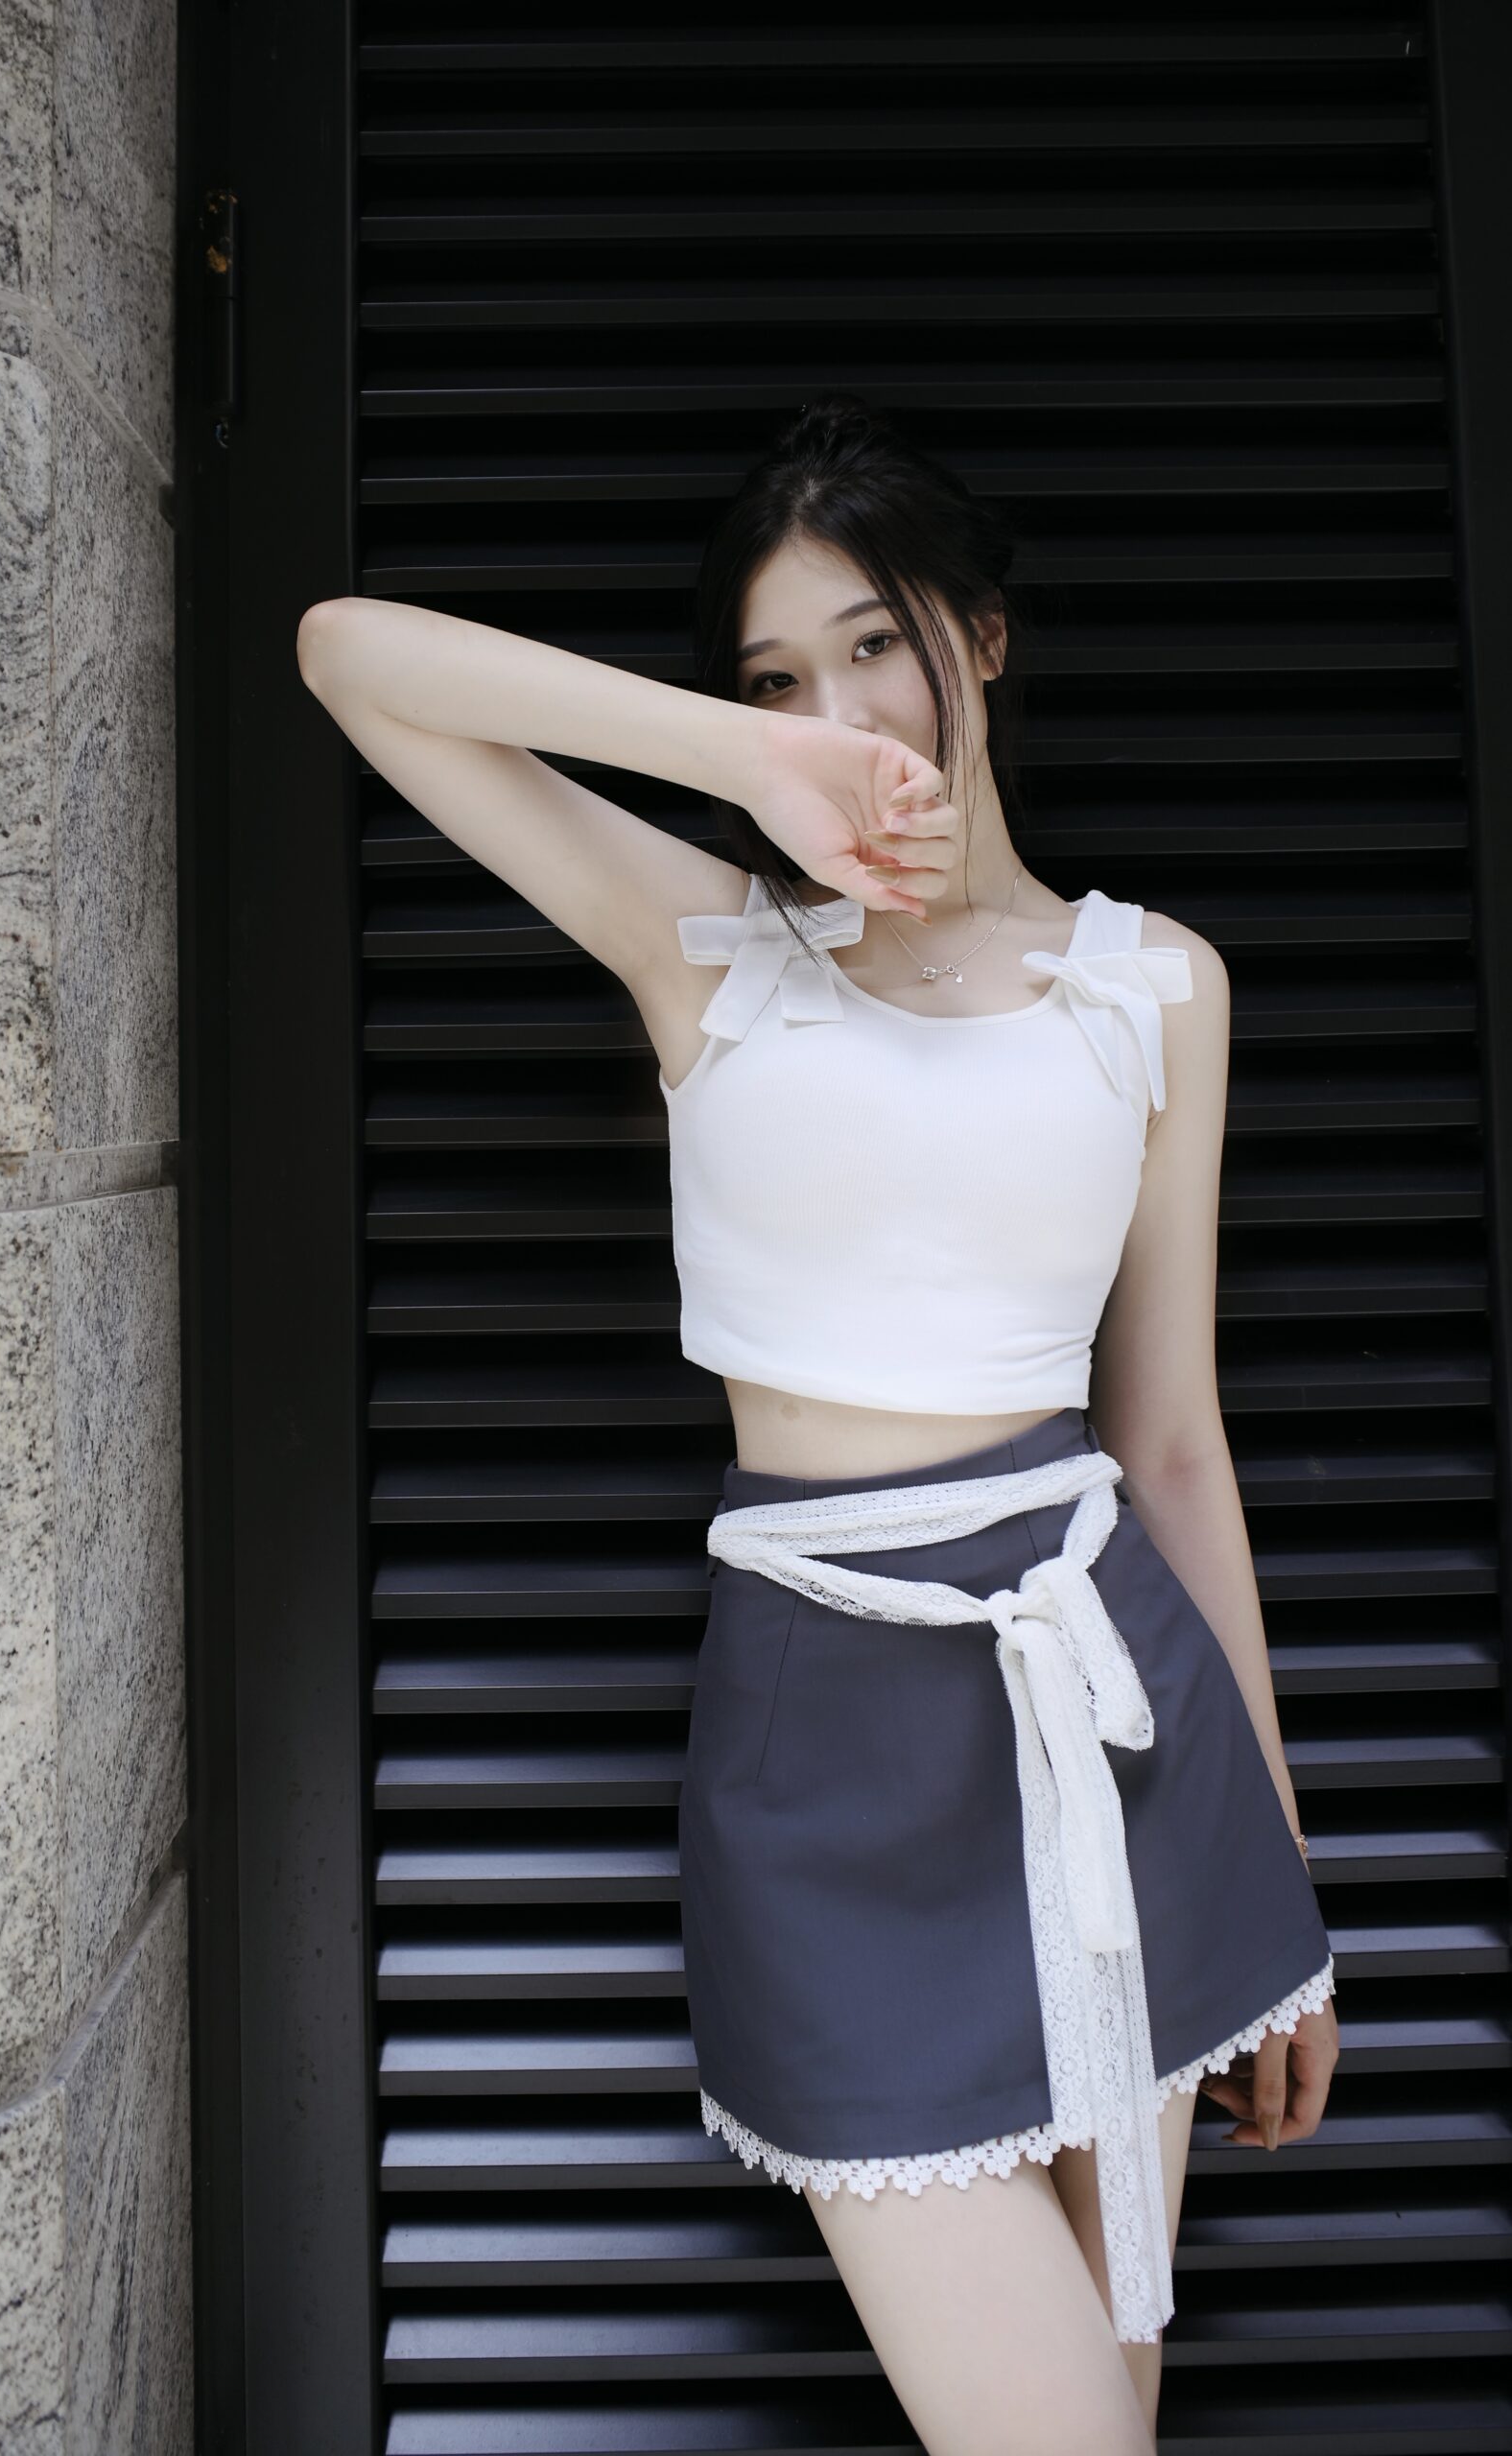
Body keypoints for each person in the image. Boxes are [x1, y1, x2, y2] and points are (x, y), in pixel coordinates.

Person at [296, 392, 1339, 2456]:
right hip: (830, 1764)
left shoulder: (1155, 987)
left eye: (876, 645)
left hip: (1120, 1744)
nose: (838, 709)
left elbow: (1173, 1443)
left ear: (983, 639)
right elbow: (348, 651)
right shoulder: (710, 948)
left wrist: (1282, 1880)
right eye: (779, 672)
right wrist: (743, 763)